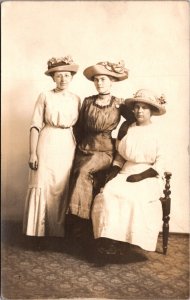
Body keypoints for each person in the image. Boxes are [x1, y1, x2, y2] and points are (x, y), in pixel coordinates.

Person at [91, 89, 167, 252]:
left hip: (149, 175)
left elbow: (161, 161)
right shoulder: (127, 128)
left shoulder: (158, 132)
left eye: (144, 108)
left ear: (152, 111)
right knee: (108, 194)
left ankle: (127, 241)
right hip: (125, 172)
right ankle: (109, 239)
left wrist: (141, 176)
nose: (140, 111)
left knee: (132, 197)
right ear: (133, 110)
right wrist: (114, 171)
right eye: (137, 107)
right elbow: (120, 156)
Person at [68, 60, 135, 239]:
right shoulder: (87, 101)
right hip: (84, 148)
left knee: (83, 172)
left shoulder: (119, 104)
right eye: (97, 80)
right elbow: (79, 127)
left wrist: (121, 135)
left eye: (103, 79)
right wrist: (78, 147)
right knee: (71, 171)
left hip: (104, 151)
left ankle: (80, 224)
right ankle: (74, 224)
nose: (99, 83)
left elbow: (134, 122)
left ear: (112, 81)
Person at [23, 55, 81, 237]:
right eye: (58, 75)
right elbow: (34, 125)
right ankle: (37, 233)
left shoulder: (76, 99)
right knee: (42, 183)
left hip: (67, 144)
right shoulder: (45, 96)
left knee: (61, 187)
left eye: (66, 75)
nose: (63, 79)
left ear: (71, 77)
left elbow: (79, 128)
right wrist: (33, 153)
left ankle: (57, 232)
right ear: (53, 78)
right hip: (47, 142)